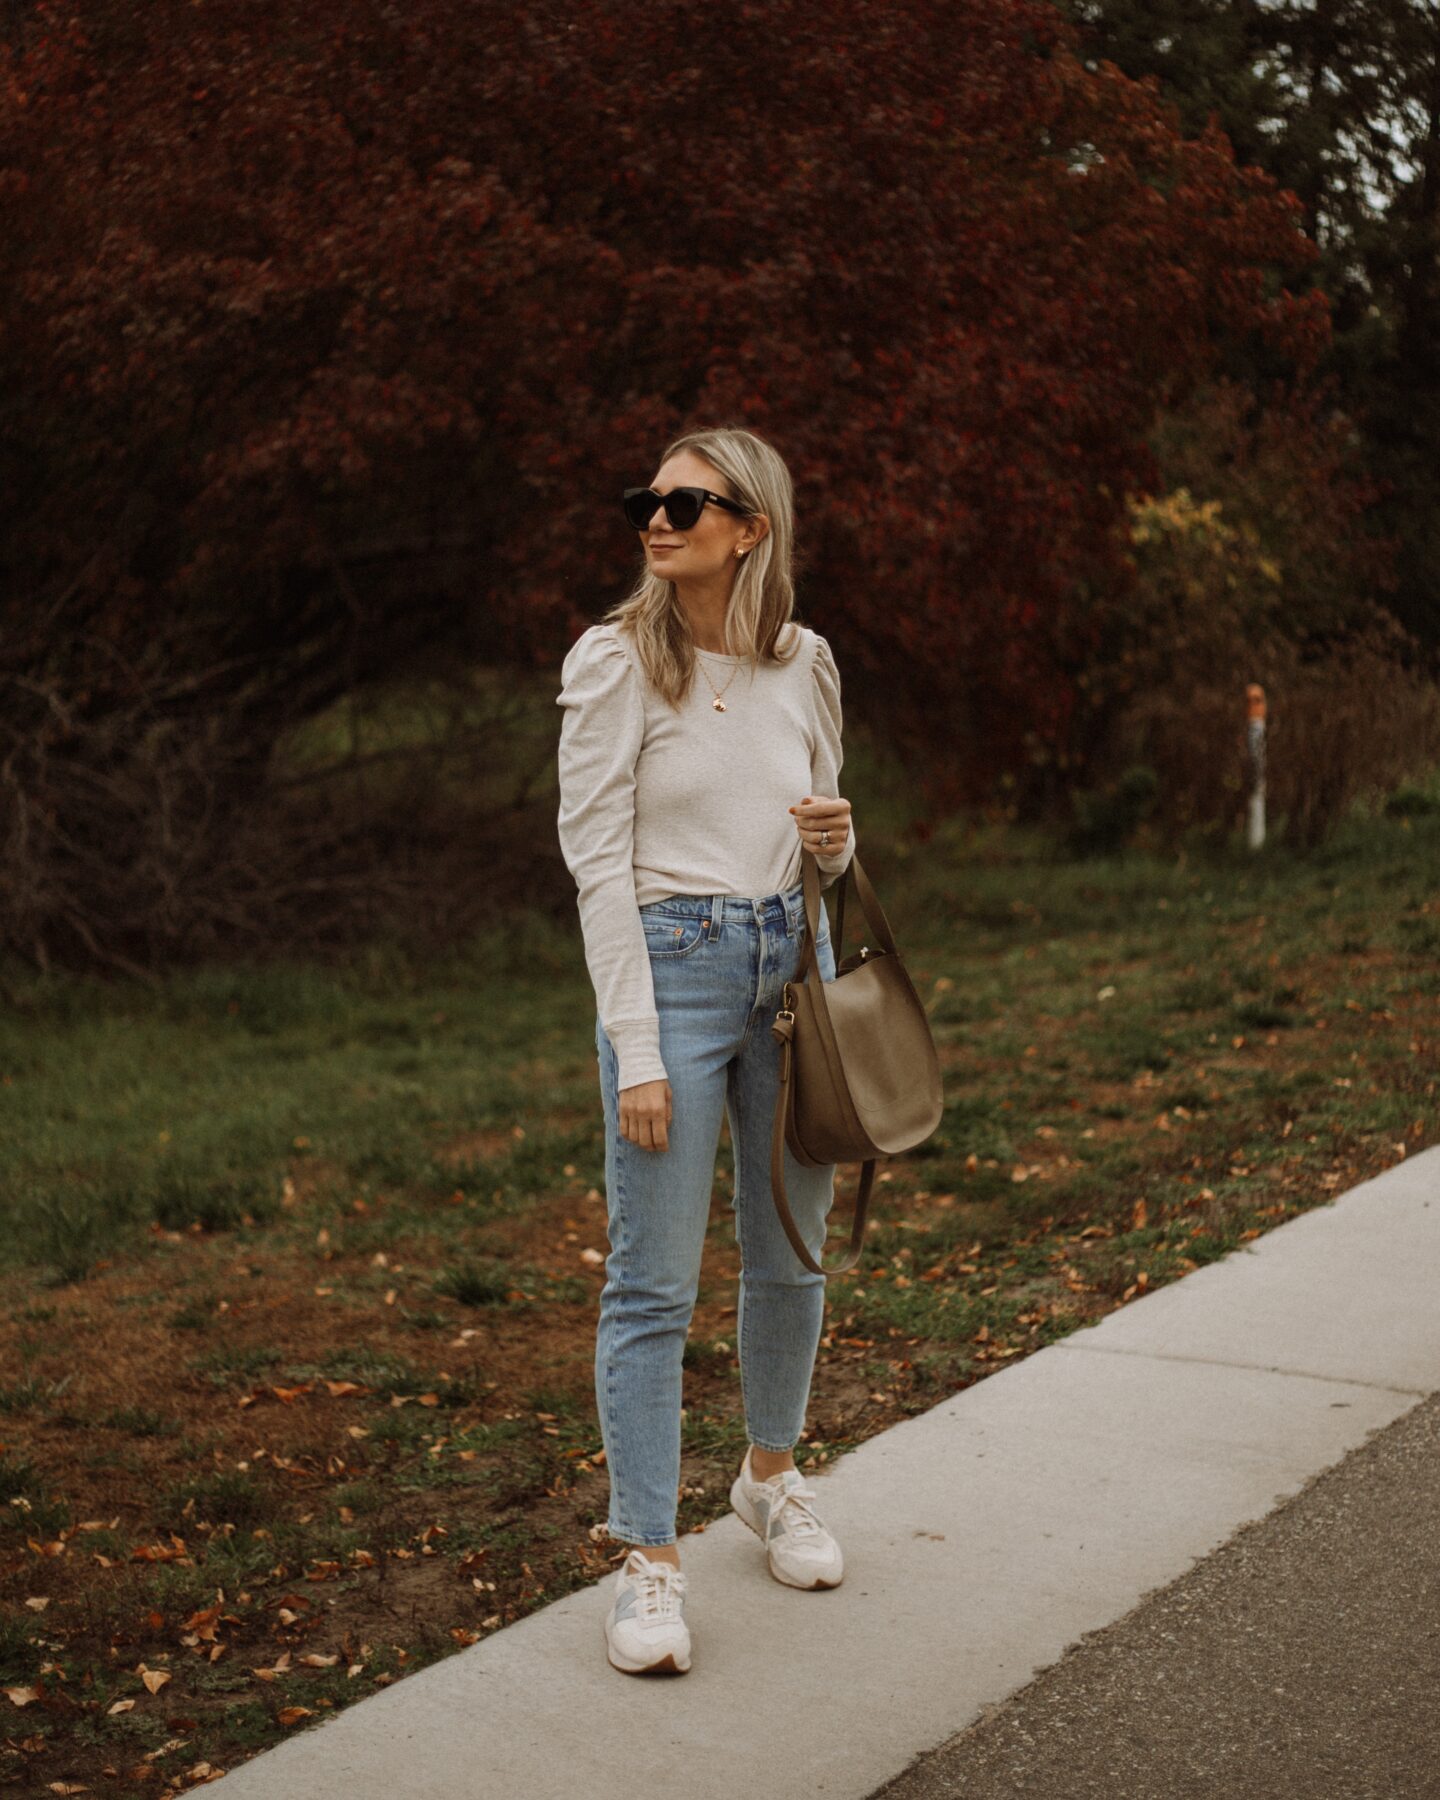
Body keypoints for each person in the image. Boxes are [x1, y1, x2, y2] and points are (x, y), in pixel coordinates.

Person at [555, 425, 857, 1676]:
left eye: (692, 501)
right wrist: (633, 1045)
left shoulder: (807, 663)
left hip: (793, 970)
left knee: (792, 1254)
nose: (661, 517)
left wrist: (836, 853)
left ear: (752, 528)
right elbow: (595, 867)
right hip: (671, 980)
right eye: (651, 499)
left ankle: (769, 1479)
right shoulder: (615, 661)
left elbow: (829, 842)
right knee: (652, 1286)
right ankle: (647, 1560)